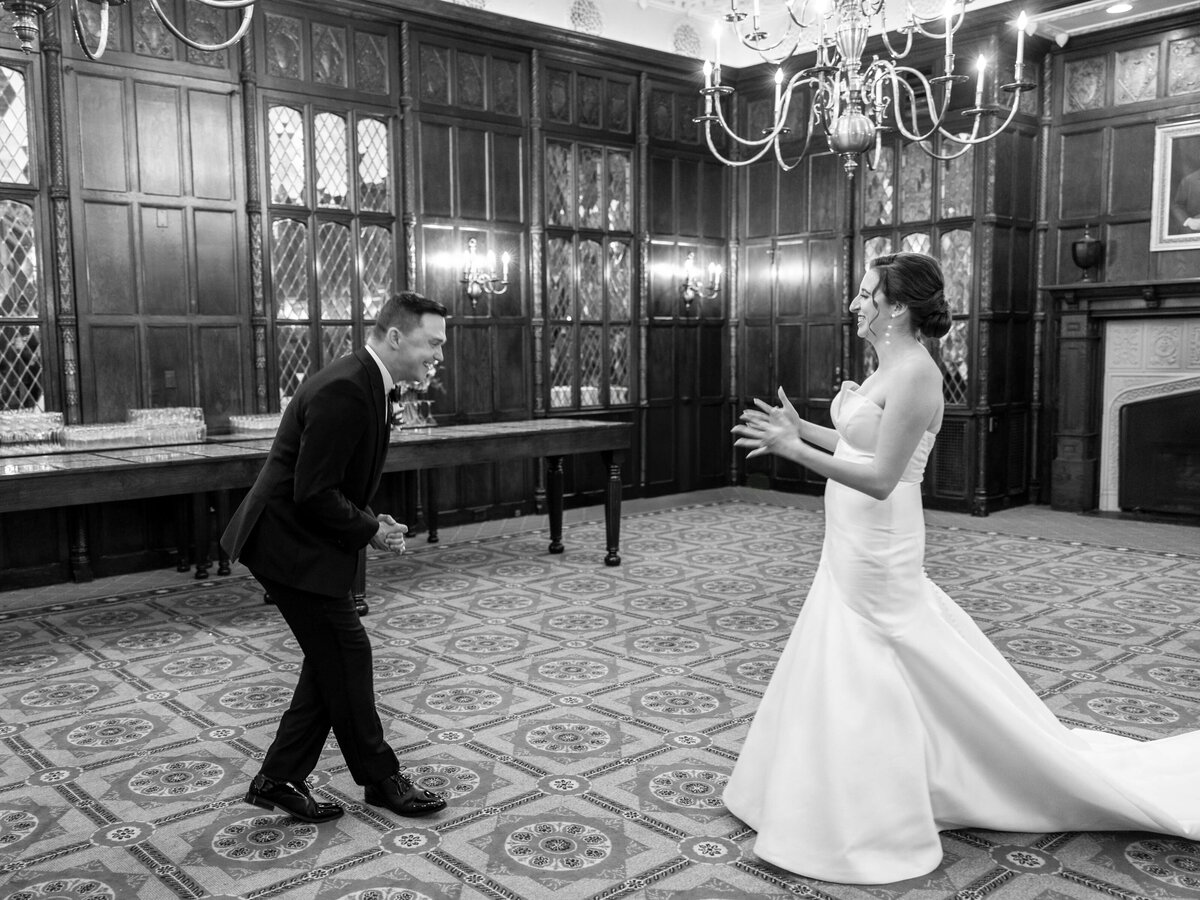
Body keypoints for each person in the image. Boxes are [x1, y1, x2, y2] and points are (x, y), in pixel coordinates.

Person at [723, 252, 1200, 884]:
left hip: (879, 542)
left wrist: (792, 453)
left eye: (866, 295)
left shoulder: (917, 372)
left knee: (873, 657)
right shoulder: (889, 364)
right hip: (851, 538)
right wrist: (803, 429)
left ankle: (874, 808)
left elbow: (881, 476)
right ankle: (856, 783)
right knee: (868, 654)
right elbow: (862, 443)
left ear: (897, 308)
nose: (855, 304)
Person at [221, 291, 449, 824]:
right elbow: (313, 492)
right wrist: (369, 530)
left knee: (330, 663)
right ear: (396, 336)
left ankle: (278, 778)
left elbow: (335, 479)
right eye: (432, 343)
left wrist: (373, 520)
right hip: (286, 546)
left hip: (304, 541)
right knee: (348, 656)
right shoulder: (347, 387)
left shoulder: (366, 380)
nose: (438, 356)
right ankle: (381, 778)